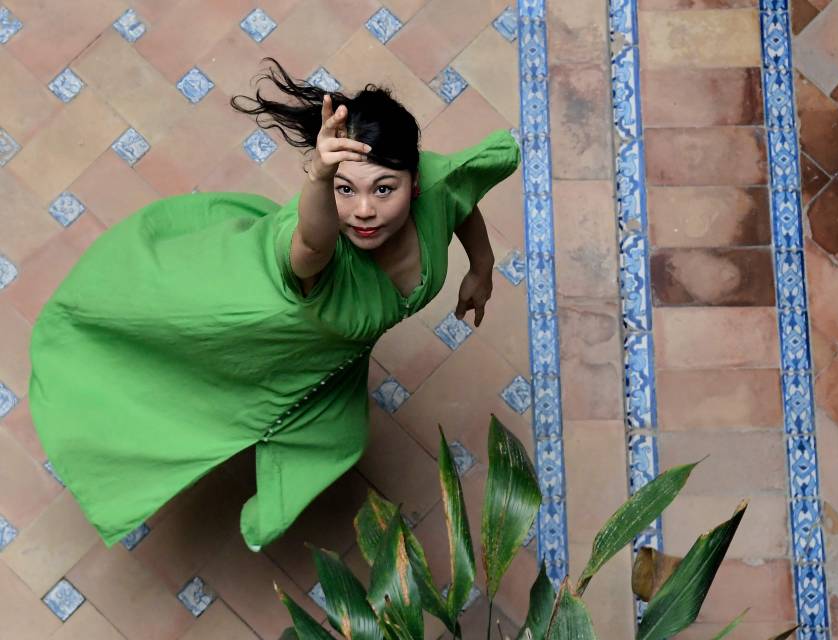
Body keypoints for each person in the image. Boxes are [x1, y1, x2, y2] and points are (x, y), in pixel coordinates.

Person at [28, 57, 520, 551]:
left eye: (383, 189)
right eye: (344, 189)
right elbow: (311, 246)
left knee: (337, 440)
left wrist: (481, 267)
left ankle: (274, 491)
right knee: (190, 389)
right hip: (259, 315)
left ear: (414, 184)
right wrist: (319, 178)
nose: (364, 210)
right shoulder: (321, 253)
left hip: (332, 353)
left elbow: (457, 202)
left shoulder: (432, 190)